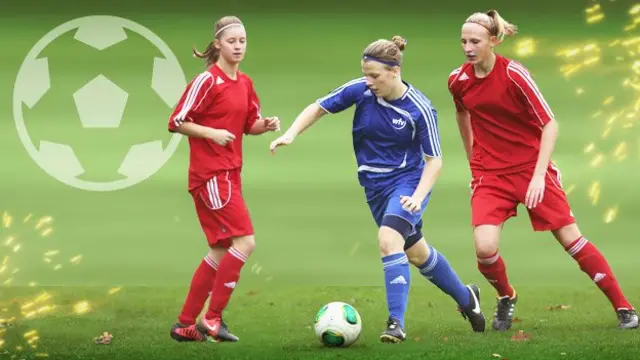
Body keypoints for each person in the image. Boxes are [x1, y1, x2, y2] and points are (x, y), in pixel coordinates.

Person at [270, 36, 486, 343]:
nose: (369, 82)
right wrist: (290, 134)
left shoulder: (419, 108)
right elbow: (319, 107)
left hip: (406, 185)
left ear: (394, 71)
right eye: (366, 74)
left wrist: (418, 197)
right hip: (374, 188)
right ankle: (467, 298)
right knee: (416, 253)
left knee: (388, 241)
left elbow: (434, 161)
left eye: (375, 76)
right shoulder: (360, 89)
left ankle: (395, 323)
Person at [448, 9, 638, 331]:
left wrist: (538, 175)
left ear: (493, 41)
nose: (468, 47)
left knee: (570, 239)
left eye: (475, 41)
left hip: (530, 169)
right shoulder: (458, 80)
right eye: (464, 40)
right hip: (490, 175)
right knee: (484, 249)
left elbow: (549, 123)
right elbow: (462, 115)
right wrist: (474, 164)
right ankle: (506, 296)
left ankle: (624, 308)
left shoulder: (514, 74)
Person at [167, 15, 280, 343]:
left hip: (229, 174)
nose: (239, 46)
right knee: (245, 242)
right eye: (232, 41)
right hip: (212, 176)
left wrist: (266, 125)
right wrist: (211, 133)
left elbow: (248, 124)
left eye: (243, 41)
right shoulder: (207, 81)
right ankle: (212, 318)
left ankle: (186, 323)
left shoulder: (244, 83)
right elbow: (176, 121)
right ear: (217, 44)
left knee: (219, 250)